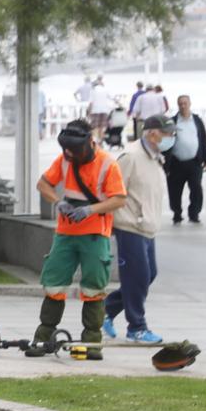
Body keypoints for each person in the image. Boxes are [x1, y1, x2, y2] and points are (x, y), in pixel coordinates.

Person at [33, 120, 126, 351]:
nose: (71, 154)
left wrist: (90, 210)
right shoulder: (65, 159)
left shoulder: (107, 164)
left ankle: (91, 342)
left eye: (75, 150)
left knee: (94, 287)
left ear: (89, 142)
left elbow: (119, 199)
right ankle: (44, 336)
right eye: (67, 150)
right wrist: (59, 202)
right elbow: (43, 184)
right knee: (54, 284)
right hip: (65, 233)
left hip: (95, 234)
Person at [104, 112, 167, 343]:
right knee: (137, 276)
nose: (170, 138)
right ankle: (137, 327)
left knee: (149, 274)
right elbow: (113, 189)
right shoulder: (130, 156)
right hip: (130, 224)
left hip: (147, 226)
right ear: (152, 134)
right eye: (167, 133)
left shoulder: (156, 156)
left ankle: (106, 310)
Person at [166, 93, 205, 224]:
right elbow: (166, 143)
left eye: (185, 103)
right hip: (177, 163)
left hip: (194, 162)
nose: (183, 106)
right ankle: (177, 213)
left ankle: (194, 214)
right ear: (178, 105)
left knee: (196, 189)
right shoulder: (172, 121)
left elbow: (203, 139)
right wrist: (165, 164)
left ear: (190, 104)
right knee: (174, 191)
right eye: (180, 103)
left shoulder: (197, 120)